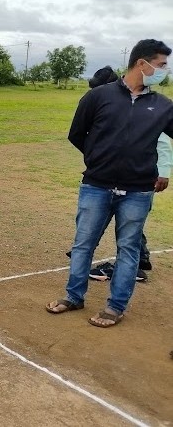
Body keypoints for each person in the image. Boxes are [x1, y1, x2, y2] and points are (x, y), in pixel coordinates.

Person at [46, 39, 173, 328]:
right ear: (143, 64)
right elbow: (77, 133)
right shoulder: (99, 96)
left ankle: (115, 307)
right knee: (83, 245)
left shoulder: (163, 106)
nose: (164, 71)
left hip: (138, 192)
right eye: (162, 64)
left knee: (128, 249)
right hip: (96, 186)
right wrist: (98, 159)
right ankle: (73, 296)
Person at [65, 66, 172, 283]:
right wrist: (100, 158)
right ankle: (133, 258)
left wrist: (164, 171)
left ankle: (137, 263)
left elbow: (161, 142)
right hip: (106, 175)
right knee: (115, 220)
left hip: (139, 177)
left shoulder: (145, 104)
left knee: (128, 226)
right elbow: (78, 134)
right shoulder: (105, 100)